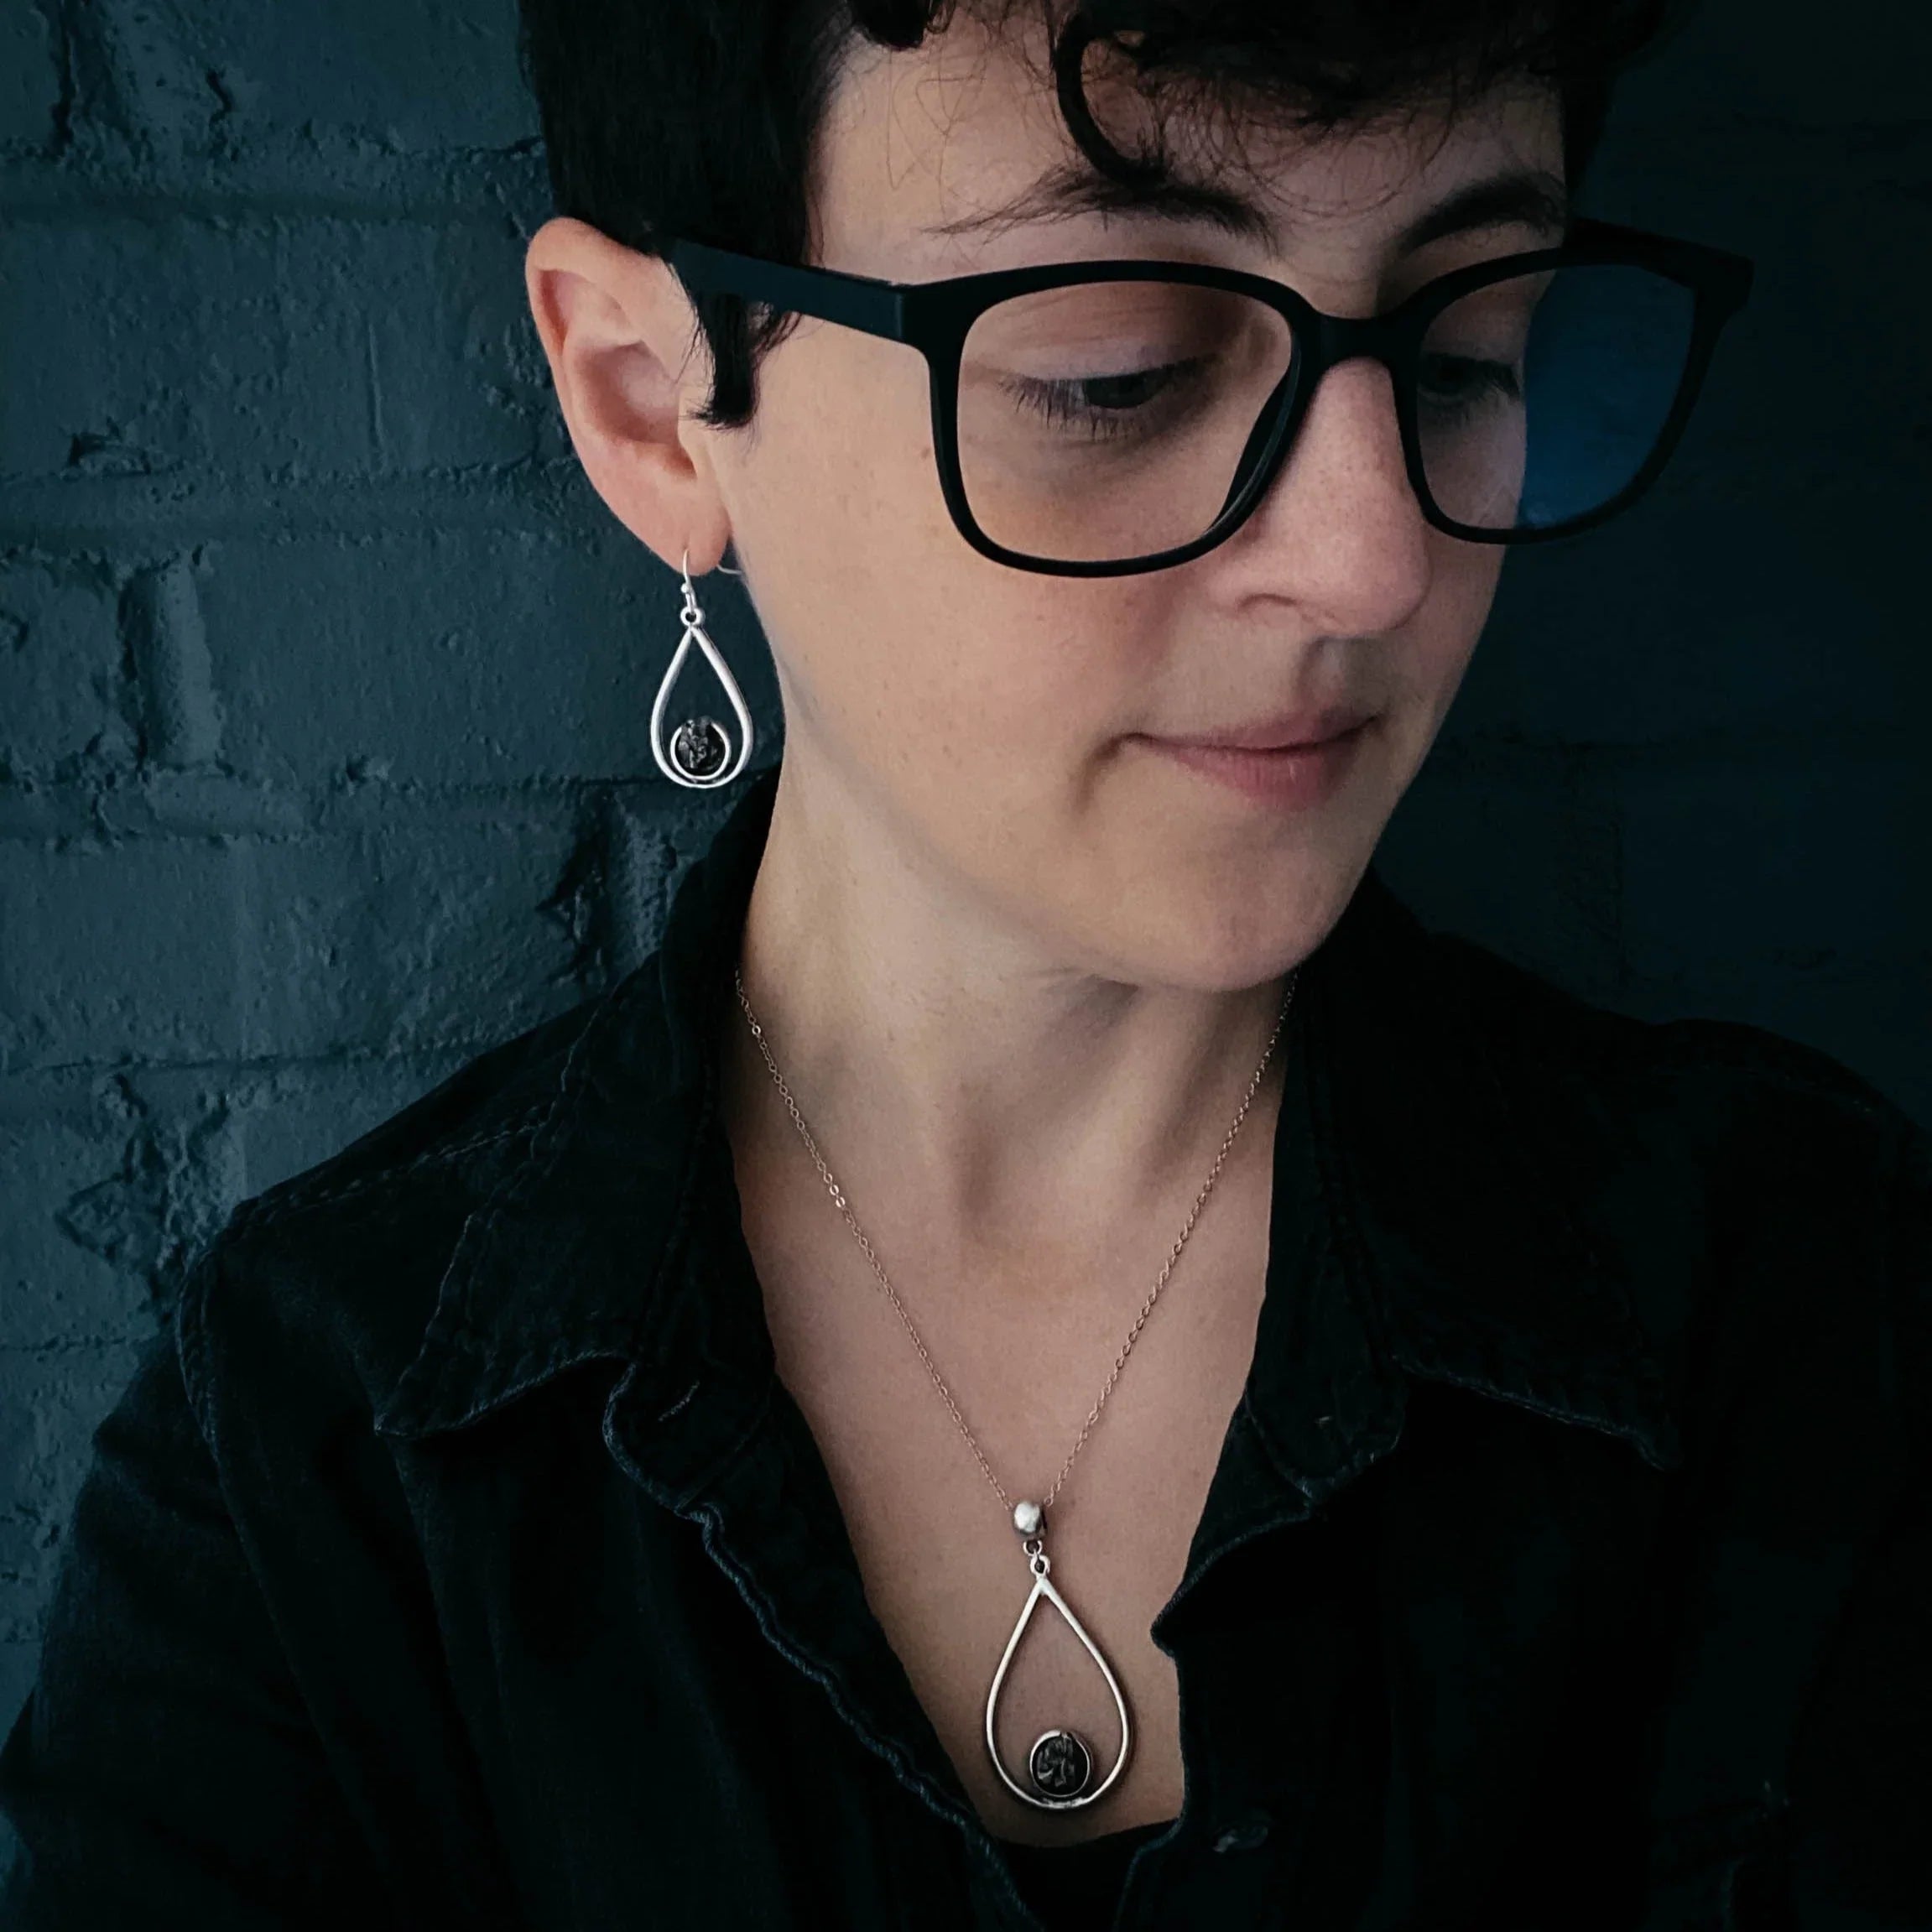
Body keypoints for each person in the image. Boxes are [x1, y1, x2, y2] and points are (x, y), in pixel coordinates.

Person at [2, 0, 1926, 1926]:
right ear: (653, 401)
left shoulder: (1799, 1296)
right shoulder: (318, 1463)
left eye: (1465, 346)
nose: (1372, 565)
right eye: (1115, 373)